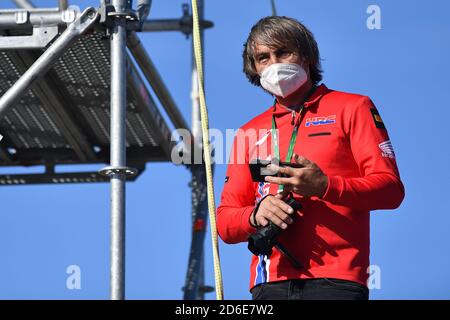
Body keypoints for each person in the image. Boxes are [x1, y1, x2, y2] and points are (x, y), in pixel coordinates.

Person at [216, 16, 405, 300]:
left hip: (336, 281)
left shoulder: (352, 107)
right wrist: (256, 214)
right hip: (268, 284)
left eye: (283, 52)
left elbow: (391, 191)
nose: (274, 64)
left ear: (306, 56)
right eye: (263, 57)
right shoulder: (249, 131)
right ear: (254, 68)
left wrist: (324, 186)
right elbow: (226, 223)